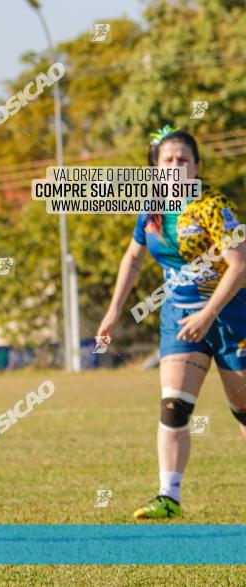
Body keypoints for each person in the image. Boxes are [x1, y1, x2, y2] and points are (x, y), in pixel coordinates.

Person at [98, 126, 246, 519]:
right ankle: (169, 496)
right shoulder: (151, 209)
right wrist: (114, 311)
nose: (176, 166)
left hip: (231, 316)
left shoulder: (214, 206)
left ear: (196, 167)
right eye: (169, 160)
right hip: (179, 319)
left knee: (244, 413)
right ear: (156, 168)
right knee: (173, 407)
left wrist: (209, 312)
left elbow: (240, 264)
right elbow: (133, 258)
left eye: (184, 159)